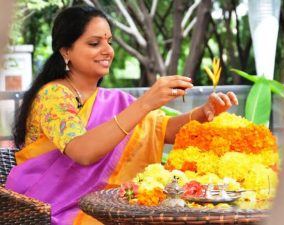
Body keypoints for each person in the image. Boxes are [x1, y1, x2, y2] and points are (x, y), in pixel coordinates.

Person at [5, 5, 238, 225]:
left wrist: (205, 112)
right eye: (95, 43)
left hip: (103, 206)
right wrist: (145, 102)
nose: (107, 50)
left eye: (109, 41)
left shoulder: (112, 100)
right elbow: (83, 152)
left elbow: (163, 131)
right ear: (66, 51)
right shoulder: (53, 96)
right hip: (52, 210)